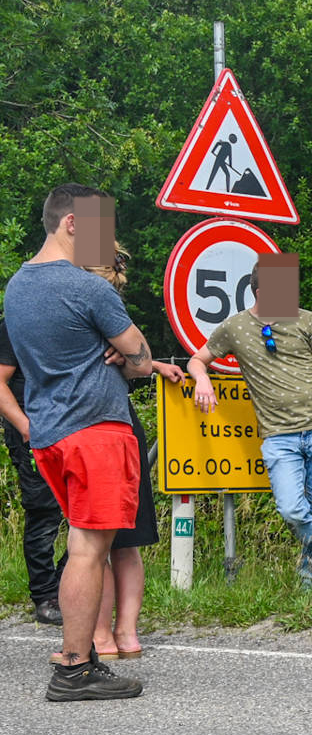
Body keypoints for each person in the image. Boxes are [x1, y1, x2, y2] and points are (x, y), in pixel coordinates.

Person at [5, 183, 157, 700]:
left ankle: (82, 657)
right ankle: (74, 668)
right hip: (94, 430)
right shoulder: (89, 288)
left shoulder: (18, 286)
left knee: (83, 544)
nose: (108, 240)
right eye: (102, 229)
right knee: (90, 549)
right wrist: (126, 355)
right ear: (73, 225)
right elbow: (139, 359)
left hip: (49, 432)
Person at [185, 260, 312, 585]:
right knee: (293, 510)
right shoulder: (234, 328)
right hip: (279, 437)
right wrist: (202, 380)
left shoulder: (307, 320)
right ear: (261, 291)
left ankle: (311, 589)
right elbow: (198, 359)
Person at [79, 243, 186, 659]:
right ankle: (127, 635)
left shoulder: (80, 308)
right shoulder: (113, 314)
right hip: (125, 428)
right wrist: (153, 364)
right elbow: (134, 359)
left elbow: (128, 360)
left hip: (94, 430)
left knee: (95, 545)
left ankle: (101, 639)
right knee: (127, 543)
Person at [0, 316, 66, 625]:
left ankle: (66, 586)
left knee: (92, 511)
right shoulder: (16, 321)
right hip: (31, 426)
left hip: (72, 423)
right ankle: (45, 597)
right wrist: (26, 428)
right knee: (44, 509)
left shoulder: (72, 315)